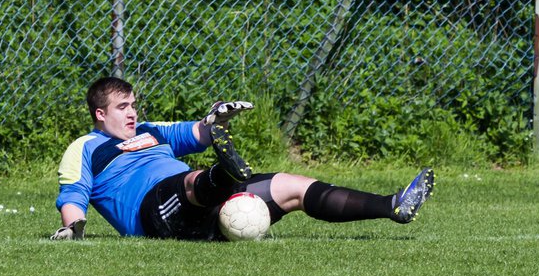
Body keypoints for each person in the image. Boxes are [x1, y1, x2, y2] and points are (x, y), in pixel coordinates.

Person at [50, 76, 434, 241]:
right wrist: (73, 227)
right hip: (154, 215)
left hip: (200, 210)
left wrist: (216, 119)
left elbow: (196, 132)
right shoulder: (85, 146)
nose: (132, 113)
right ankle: (223, 174)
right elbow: (73, 193)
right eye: (122, 107)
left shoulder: (151, 130)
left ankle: (393, 206)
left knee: (289, 186)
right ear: (100, 114)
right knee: (189, 180)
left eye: (134, 104)